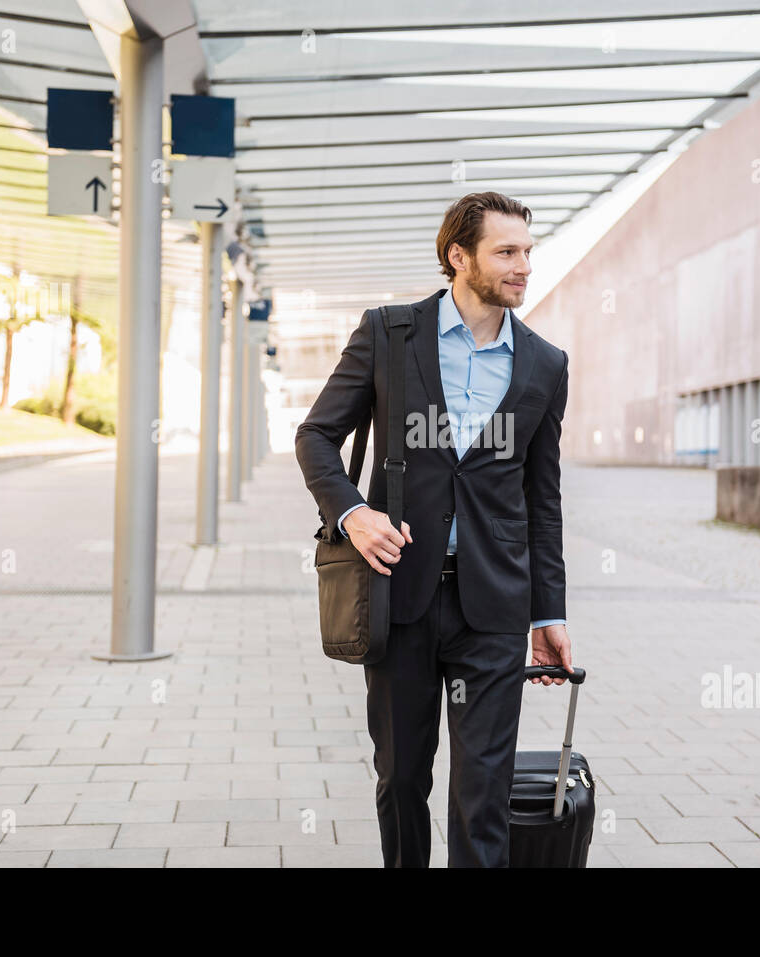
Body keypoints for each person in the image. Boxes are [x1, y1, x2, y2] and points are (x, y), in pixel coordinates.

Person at [294, 190, 571, 867]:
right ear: (458, 256)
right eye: (506, 252)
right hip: (400, 597)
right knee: (403, 779)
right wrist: (354, 514)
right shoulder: (389, 335)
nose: (523, 267)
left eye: (527, 252)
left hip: (494, 610)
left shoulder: (545, 363)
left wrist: (549, 610)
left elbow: (543, 500)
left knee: (485, 794)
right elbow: (317, 436)